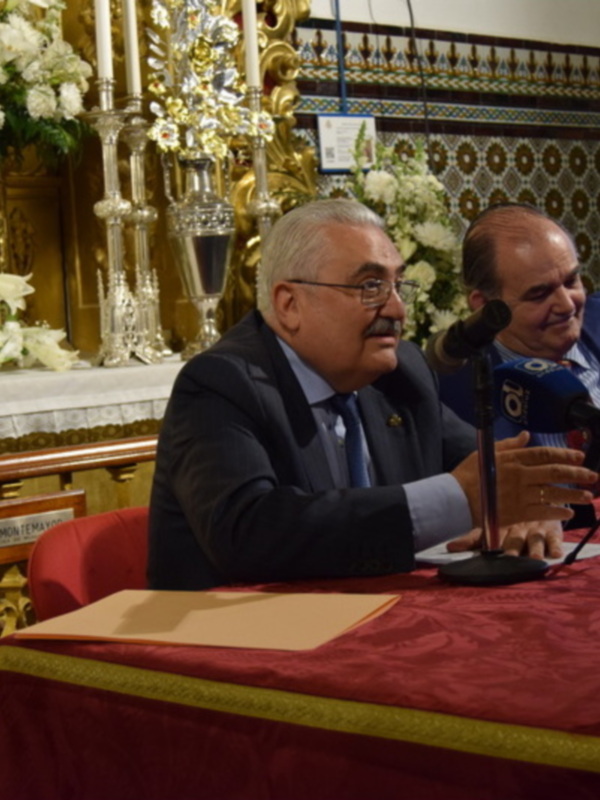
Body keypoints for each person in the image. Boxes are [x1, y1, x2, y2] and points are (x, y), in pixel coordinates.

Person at [148, 199, 596, 591]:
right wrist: (462, 500)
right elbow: (248, 533)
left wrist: (525, 507)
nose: (397, 309)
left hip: (378, 622)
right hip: (234, 637)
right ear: (289, 304)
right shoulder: (221, 384)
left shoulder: (400, 372)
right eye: (370, 287)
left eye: (399, 286)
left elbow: (490, 475)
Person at [438, 202, 600, 528]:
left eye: (571, 281)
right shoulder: (451, 394)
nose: (566, 305)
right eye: (539, 294)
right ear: (485, 306)